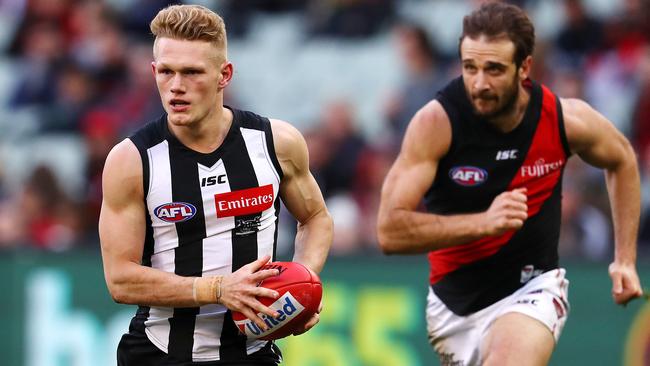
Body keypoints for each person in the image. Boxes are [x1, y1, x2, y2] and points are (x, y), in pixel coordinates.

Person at [376, 3, 643, 366]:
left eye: (494, 69)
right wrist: (482, 223)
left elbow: (622, 159)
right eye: (470, 67)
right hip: (452, 308)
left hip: (532, 289)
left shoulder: (563, 118)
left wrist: (624, 259)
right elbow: (389, 231)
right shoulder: (437, 123)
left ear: (525, 68)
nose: (480, 83)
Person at [98, 5, 333, 365]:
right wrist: (219, 290)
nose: (176, 86)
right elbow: (120, 280)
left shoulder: (276, 142)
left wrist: (304, 286)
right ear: (153, 71)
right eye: (166, 71)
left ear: (225, 75)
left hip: (252, 354)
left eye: (192, 72)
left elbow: (316, 217)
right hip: (160, 352)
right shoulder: (131, 160)